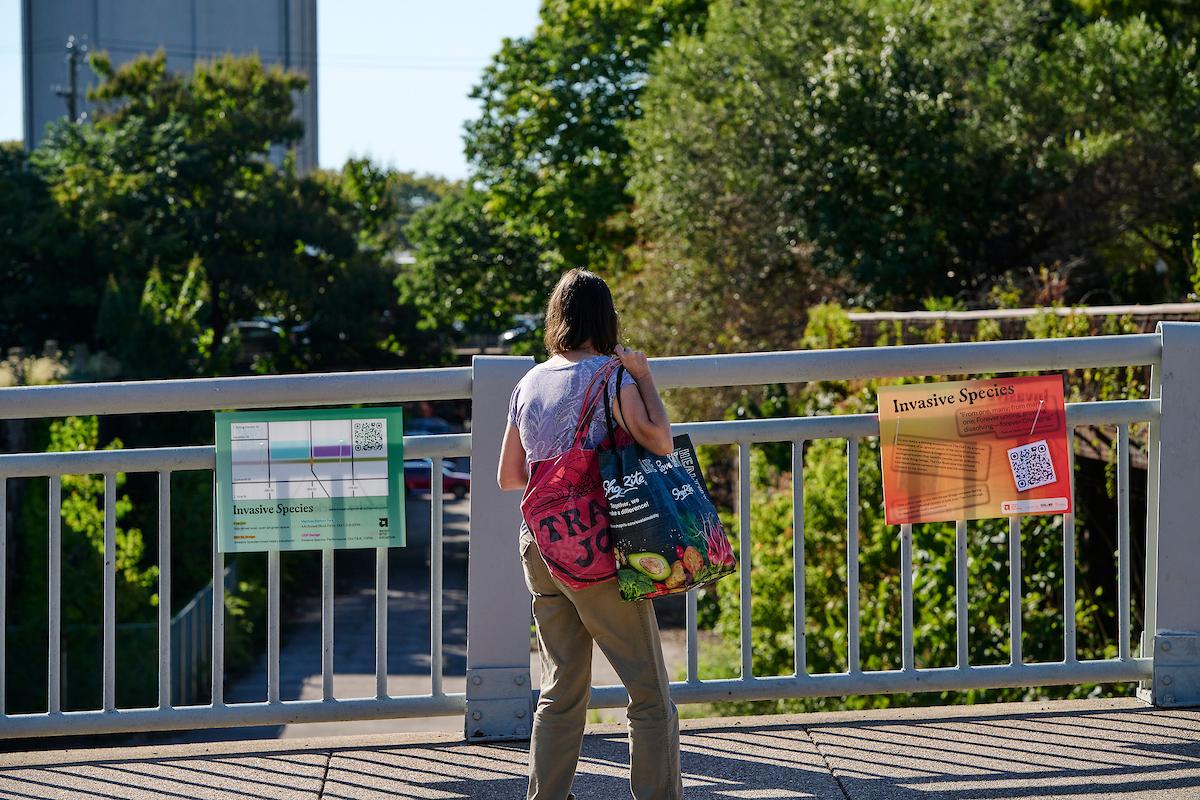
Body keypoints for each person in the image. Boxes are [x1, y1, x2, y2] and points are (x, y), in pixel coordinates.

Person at [497, 268, 683, 800]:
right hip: (596, 548)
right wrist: (643, 375)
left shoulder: (527, 382)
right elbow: (661, 441)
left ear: (558, 317)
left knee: (560, 689)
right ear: (606, 319)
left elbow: (510, 476)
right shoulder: (612, 376)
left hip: (540, 543)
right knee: (648, 693)